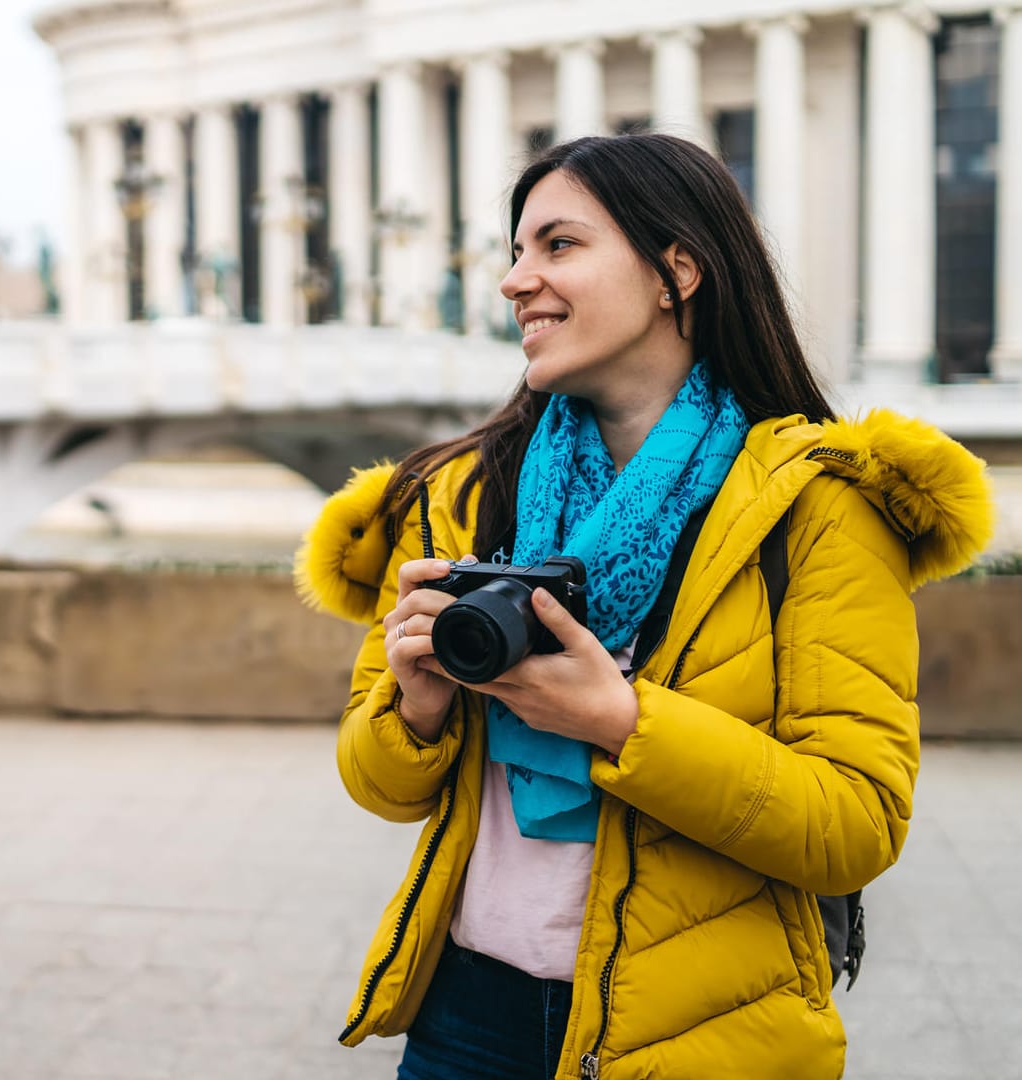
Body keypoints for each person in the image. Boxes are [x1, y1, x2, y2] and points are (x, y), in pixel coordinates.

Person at [295, 133, 995, 1080]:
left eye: (558, 245)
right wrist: (416, 708)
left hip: (704, 1030)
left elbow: (856, 823)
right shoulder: (455, 495)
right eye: (515, 251)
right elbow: (380, 783)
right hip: (468, 1015)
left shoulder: (818, 506)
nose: (514, 281)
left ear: (678, 270)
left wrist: (621, 722)